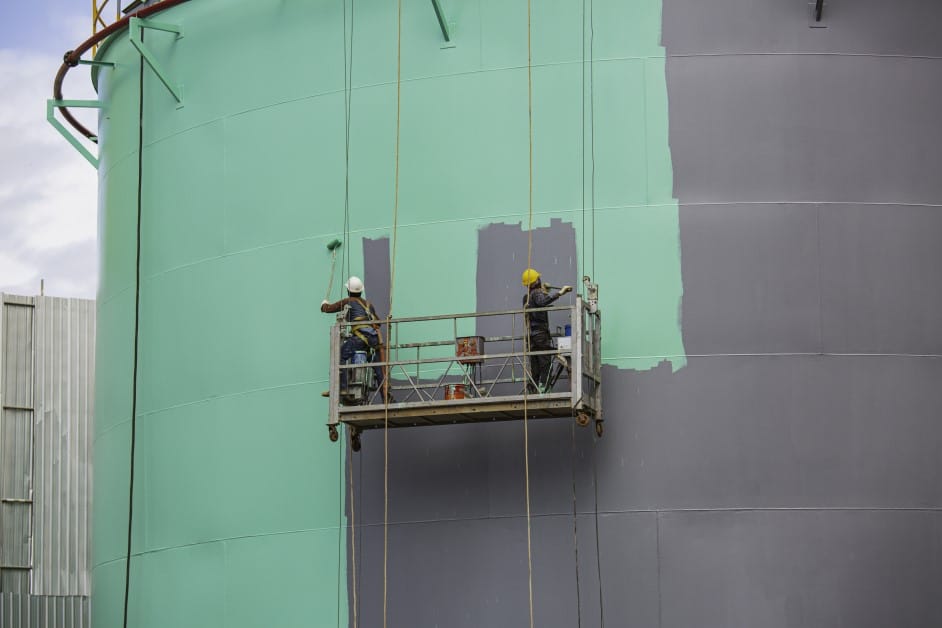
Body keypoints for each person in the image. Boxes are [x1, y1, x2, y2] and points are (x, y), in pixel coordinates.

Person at [321, 276, 387, 401]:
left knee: (340, 355)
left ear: (348, 290)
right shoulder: (368, 304)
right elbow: (378, 322)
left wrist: (324, 304)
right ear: (361, 291)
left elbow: (328, 309)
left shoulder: (348, 301)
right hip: (373, 340)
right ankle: (385, 398)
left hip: (360, 339)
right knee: (378, 366)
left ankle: (343, 388)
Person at [521, 268, 571, 393]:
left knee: (536, 366)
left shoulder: (526, 297)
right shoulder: (537, 293)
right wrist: (560, 293)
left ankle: (535, 390)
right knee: (545, 363)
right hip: (540, 335)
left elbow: (537, 302)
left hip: (531, 337)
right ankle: (543, 390)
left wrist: (543, 292)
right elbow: (542, 301)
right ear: (536, 281)